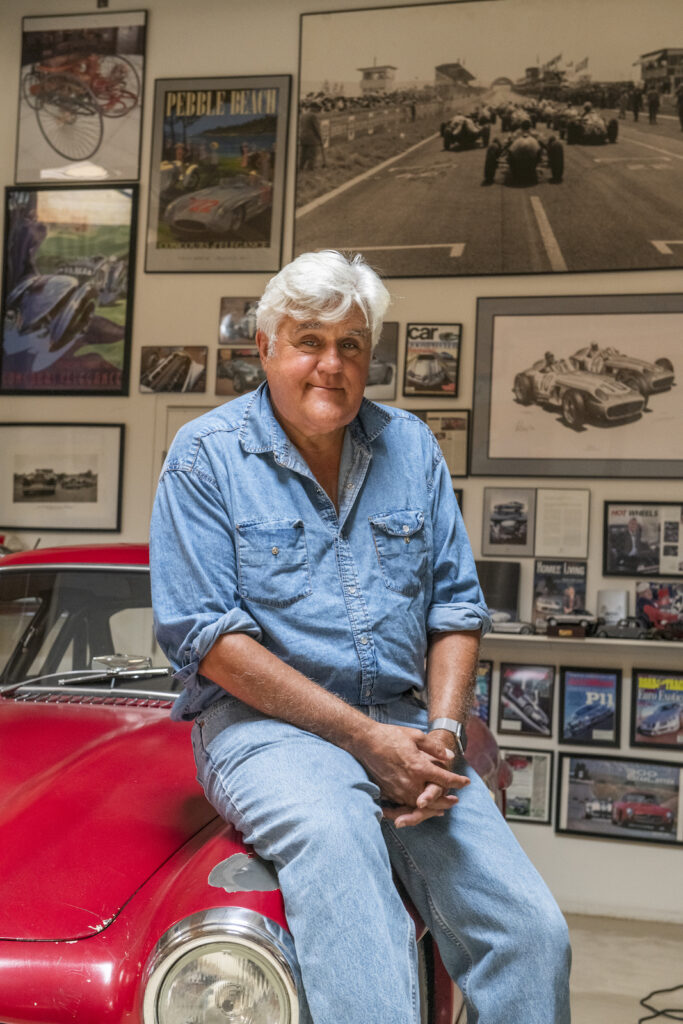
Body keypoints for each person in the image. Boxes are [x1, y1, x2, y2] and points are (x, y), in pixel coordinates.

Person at [150, 250, 571, 1024]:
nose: (331, 363)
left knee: (530, 933)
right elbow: (210, 639)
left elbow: (454, 609)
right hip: (262, 732)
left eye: (350, 344)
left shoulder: (410, 447)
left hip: (410, 729)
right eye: (309, 340)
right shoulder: (204, 457)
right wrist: (362, 739)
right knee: (346, 864)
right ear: (265, 348)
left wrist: (440, 734)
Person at [298, 102, 325, 170]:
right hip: (312, 138)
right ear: (314, 108)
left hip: (303, 137)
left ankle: (300, 167)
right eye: (318, 109)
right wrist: (320, 138)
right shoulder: (313, 116)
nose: (318, 110)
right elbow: (317, 128)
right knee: (312, 155)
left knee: (303, 155)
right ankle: (310, 168)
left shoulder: (303, 115)